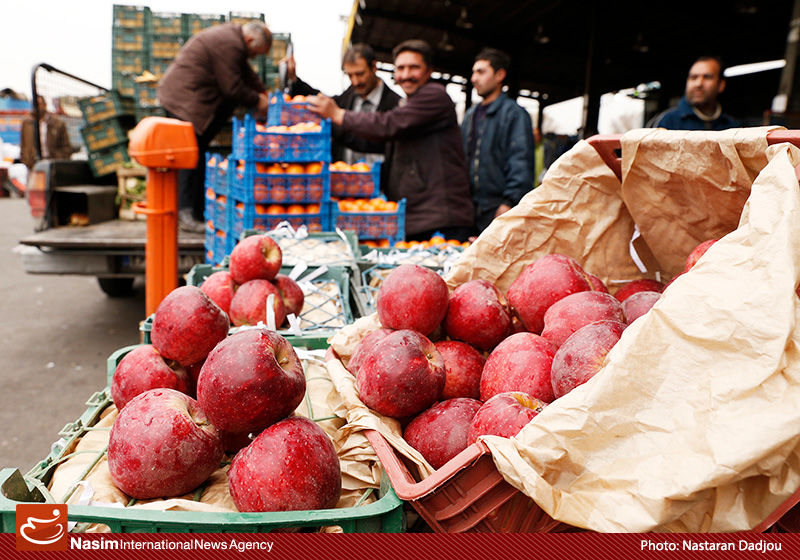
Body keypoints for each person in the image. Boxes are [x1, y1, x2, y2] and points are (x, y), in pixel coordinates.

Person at [309, 39, 475, 242]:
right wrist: (331, 126)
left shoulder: (435, 96)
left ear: (428, 71)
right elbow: (376, 141)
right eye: (401, 68)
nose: (405, 75)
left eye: (413, 68)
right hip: (420, 217)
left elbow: (389, 124)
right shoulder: (409, 104)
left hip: (441, 220)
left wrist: (338, 115)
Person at [158, 21, 272, 233]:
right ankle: (186, 213)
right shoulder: (230, 44)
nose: (255, 58)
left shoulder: (233, 41)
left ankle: (196, 211)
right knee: (189, 155)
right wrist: (258, 100)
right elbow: (232, 87)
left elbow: (247, 73)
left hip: (190, 99)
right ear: (249, 40)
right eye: (256, 53)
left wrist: (264, 92)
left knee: (196, 153)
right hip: (185, 100)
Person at [285, 43, 401, 166]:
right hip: (344, 178)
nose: (355, 81)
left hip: (379, 181)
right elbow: (328, 103)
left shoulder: (395, 104)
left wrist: (337, 124)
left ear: (373, 67)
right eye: (350, 75)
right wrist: (296, 82)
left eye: (360, 74)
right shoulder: (351, 93)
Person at [461, 48, 535, 232]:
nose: (474, 78)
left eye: (481, 72)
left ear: (499, 75)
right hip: (468, 209)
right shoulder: (470, 115)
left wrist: (509, 203)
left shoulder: (515, 115)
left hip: (497, 208)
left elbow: (521, 162)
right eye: (473, 72)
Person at [649, 56, 740, 131]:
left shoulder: (731, 126)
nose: (698, 84)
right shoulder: (667, 121)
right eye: (693, 77)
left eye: (707, 77)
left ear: (721, 85)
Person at [20, 96, 76, 170]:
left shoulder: (57, 123)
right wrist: (26, 160)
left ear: (45, 105)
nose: (37, 107)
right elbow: (23, 144)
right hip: (33, 165)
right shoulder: (27, 123)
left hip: (52, 164)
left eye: (39, 104)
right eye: (34, 104)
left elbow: (66, 147)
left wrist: (56, 158)